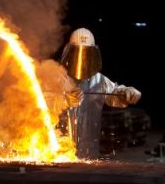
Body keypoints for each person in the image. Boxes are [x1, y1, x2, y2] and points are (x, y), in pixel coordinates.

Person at [60, 27, 141, 159]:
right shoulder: (57, 77)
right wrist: (63, 101)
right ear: (69, 52)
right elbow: (40, 102)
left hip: (90, 153)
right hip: (59, 153)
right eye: (78, 54)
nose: (82, 61)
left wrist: (128, 92)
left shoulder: (99, 80)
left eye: (86, 55)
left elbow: (115, 94)